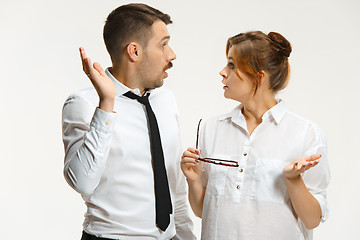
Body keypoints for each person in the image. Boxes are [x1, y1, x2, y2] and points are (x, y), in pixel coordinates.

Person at [62, 3, 196, 240]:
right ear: (134, 51)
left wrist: (185, 236)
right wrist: (106, 103)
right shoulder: (83, 102)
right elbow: (82, 182)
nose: (171, 54)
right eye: (163, 44)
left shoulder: (166, 99)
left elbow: (173, 186)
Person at [181, 31, 330, 240]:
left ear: (258, 77)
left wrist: (293, 180)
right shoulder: (211, 128)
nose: (222, 72)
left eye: (232, 65)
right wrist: (193, 180)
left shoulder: (306, 134)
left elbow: (312, 219)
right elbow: (202, 211)